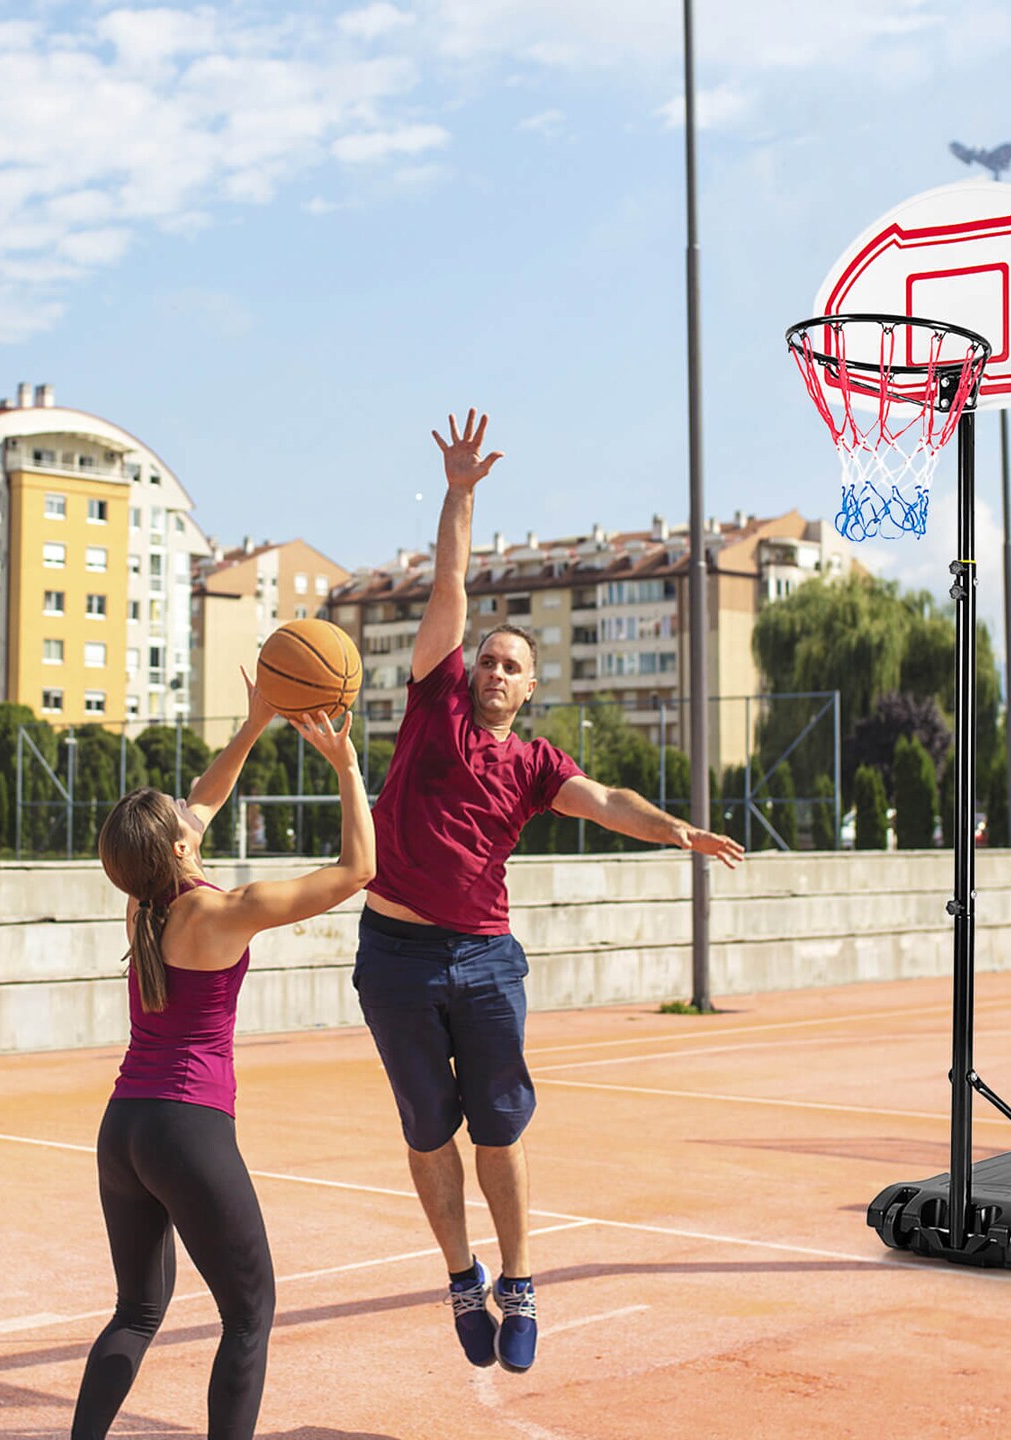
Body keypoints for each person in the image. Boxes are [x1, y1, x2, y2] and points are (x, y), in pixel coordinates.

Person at [355, 409, 746, 1375]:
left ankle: (520, 1278)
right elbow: (451, 582)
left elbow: (608, 799)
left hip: (485, 960)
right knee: (425, 1130)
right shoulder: (432, 699)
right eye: (487, 657)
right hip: (395, 955)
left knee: (500, 1126)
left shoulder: (534, 765)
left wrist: (680, 831)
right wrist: (459, 491)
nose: (493, 669)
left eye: (511, 665)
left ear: (532, 689)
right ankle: (460, 1275)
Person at [73, 672, 374, 1440]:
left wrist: (255, 723)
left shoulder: (146, 898)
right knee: (249, 1313)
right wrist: (344, 767)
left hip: (124, 1129)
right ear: (178, 845)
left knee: (137, 1311)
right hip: (187, 1129)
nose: (191, 807)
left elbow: (205, 796)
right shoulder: (220, 910)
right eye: (181, 815)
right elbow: (356, 872)